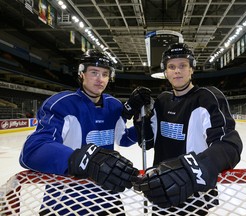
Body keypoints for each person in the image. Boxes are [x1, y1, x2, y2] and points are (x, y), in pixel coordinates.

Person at [19, 49, 150, 215]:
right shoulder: (61, 104)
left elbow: (123, 139)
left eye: (105, 74)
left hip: (107, 194)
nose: (100, 79)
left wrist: (141, 125)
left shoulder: (114, 105)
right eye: (94, 72)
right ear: (82, 74)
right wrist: (86, 160)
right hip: (66, 197)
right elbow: (33, 150)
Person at [131, 43, 243, 215]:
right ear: (165, 72)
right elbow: (147, 141)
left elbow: (228, 145)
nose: (177, 71)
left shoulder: (207, 98)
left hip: (193, 190)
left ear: (192, 69)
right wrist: (139, 116)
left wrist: (192, 169)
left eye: (183, 65)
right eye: (172, 67)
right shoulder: (162, 100)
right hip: (161, 187)